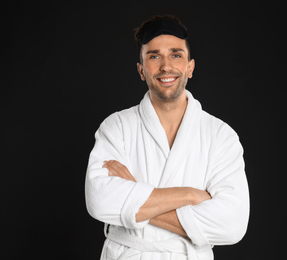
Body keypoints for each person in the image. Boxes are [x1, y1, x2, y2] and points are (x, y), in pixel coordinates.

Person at [85, 15, 250, 260]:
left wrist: (133, 194)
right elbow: (99, 201)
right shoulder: (116, 127)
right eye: (154, 56)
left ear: (190, 67)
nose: (165, 66)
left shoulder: (220, 136)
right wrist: (190, 195)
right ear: (141, 70)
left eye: (176, 54)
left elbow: (232, 225)